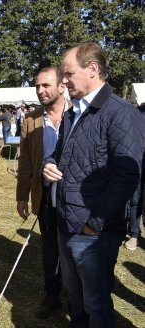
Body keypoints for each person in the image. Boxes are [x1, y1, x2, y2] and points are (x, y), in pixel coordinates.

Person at [42, 42, 145, 327]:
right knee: (75, 298)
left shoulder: (121, 114)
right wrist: (48, 164)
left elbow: (127, 177)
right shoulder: (73, 112)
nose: (63, 80)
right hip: (66, 223)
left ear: (92, 70)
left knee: (96, 304)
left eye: (68, 73)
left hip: (94, 233)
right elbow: (59, 153)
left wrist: (94, 224)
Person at [16, 67, 67, 319]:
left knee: (75, 250)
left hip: (76, 199)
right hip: (46, 197)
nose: (40, 91)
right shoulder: (31, 120)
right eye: (37, 86)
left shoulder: (79, 114)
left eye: (46, 85)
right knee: (50, 250)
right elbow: (25, 162)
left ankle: (77, 296)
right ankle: (52, 296)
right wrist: (21, 196)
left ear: (61, 86)